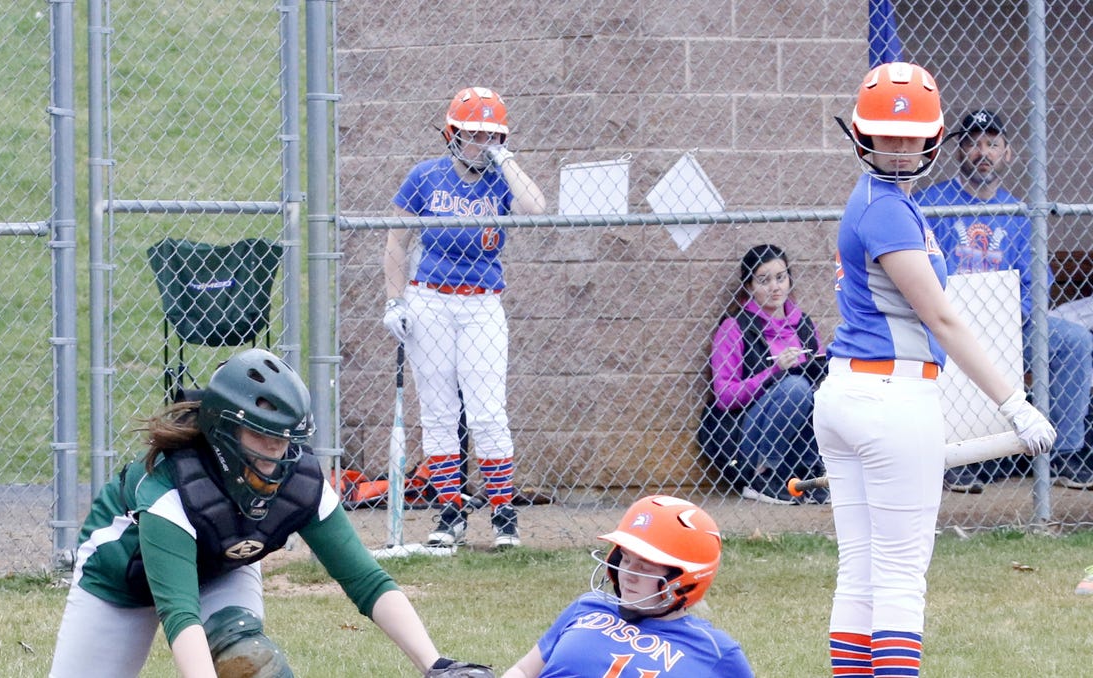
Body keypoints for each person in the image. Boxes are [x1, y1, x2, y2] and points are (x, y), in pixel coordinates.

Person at [815, 62, 1056, 677]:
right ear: (863, 134)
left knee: (864, 566)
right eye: (886, 134)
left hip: (858, 394)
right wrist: (1014, 402)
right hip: (890, 397)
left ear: (931, 138)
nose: (898, 148)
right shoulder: (889, 210)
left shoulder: (886, 200)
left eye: (910, 135)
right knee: (895, 573)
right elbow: (943, 321)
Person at [50, 348, 493, 678]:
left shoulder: (301, 484)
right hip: (119, 579)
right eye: (262, 438)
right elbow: (179, 614)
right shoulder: (173, 489)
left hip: (219, 567)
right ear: (222, 427)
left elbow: (366, 580)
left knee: (252, 663)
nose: (276, 453)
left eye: (283, 440)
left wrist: (436, 664)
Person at [382, 86, 546, 548]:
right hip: (429, 299)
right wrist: (395, 301)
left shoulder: (500, 178)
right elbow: (396, 242)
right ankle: (449, 512)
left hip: (481, 304)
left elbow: (537, 206)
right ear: (452, 134)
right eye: (473, 135)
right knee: (437, 412)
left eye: (490, 136)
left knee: (487, 412)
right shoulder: (426, 176)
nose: (481, 144)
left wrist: (506, 158)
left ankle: (502, 514)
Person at [914, 109, 1093, 492]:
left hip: (1010, 326)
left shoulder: (1018, 213)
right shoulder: (931, 202)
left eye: (993, 144)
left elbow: (1036, 282)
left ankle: (1062, 455)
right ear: (958, 151)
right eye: (973, 143)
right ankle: (955, 457)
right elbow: (921, 270)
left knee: (1074, 342)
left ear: (1008, 153)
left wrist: (1008, 320)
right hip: (948, 325)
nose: (983, 152)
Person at [501, 495, 754, 677]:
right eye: (625, 558)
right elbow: (524, 670)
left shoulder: (716, 652)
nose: (628, 574)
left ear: (684, 578)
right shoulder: (589, 606)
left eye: (645, 566)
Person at [703, 244, 827, 505]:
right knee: (795, 387)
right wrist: (774, 372)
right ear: (749, 286)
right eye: (764, 280)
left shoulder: (803, 323)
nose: (775, 287)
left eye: (780, 278)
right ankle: (763, 476)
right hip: (749, 438)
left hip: (799, 434)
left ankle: (807, 474)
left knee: (826, 392)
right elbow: (724, 396)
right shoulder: (735, 327)